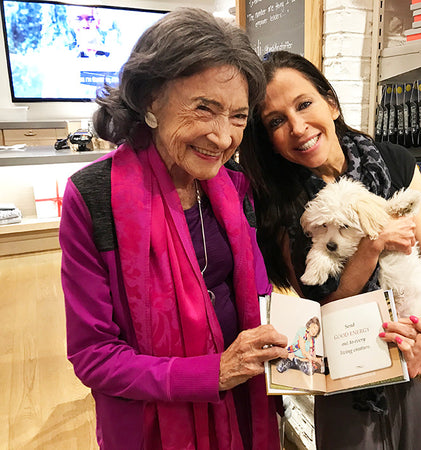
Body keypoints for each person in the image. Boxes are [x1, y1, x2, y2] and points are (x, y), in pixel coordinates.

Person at [59, 9, 289, 449]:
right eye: (204, 108)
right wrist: (211, 372)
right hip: (151, 423)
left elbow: (259, 297)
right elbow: (94, 356)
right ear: (149, 99)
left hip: (243, 408)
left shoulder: (236, 185)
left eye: (238, 117)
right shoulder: (92, 197)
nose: (222, 138)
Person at [239, 51, 421, 449]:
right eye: (276, 121)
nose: (298, 127)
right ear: (268, 138)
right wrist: (371, 246)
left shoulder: (393, 162)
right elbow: (319, 312)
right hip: (348, 370)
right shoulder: (282, 206)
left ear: (331, 103)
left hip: (419, 348)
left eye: (304, 104)